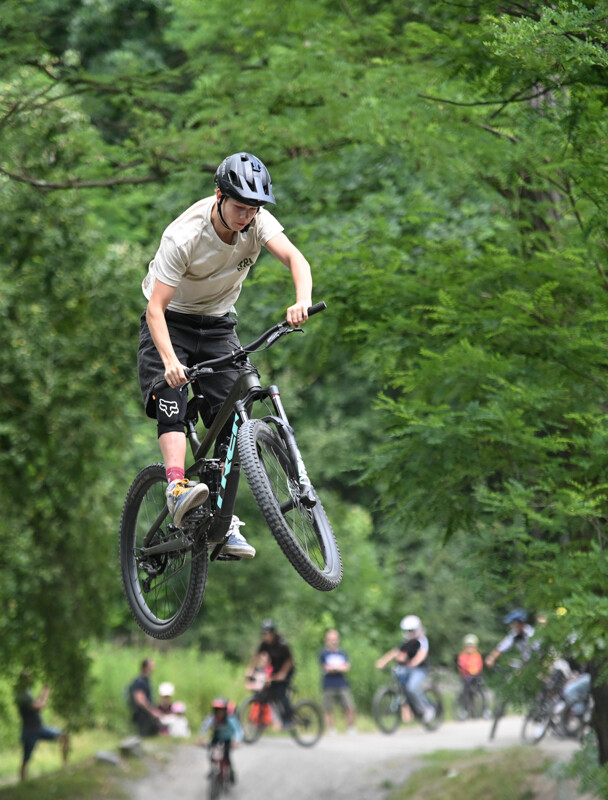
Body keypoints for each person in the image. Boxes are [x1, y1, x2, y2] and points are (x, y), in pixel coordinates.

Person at [137, 152, 316, 560]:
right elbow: (155, 309)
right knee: (173, 401)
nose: (246, 217)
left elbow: (295, 258)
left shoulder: (257, 222)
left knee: (235, 421)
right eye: (239, 207)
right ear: (219, 195)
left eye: (253, 209)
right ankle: (176, 486)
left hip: (218, 326)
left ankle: (223, 520)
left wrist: (301, 300)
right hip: (171, 323)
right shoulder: (184, 236)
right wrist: (169, 361)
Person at [374, 615, 436, 724]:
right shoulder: (405, 643)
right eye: (408, 631)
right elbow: (394, 653)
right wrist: (382, 662)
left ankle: (427, 709)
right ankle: (406, 705)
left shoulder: (422, 641)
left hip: (419, 670)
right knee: (400, 679)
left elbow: (422, 654)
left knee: (412, 688)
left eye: (411, 630)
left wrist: (414, 662)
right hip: (407, 669)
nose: (409, 633)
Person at [15, 670, 68, 781]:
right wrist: (45, 693)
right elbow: (39, 706)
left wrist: (43, 694)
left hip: (39, 729)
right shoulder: (22, 695)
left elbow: (36, 704)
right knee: (26, 759)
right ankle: (22, 782)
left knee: (63, 736)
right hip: (30, 732)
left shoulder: (26, 692)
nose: (30, 679)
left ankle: (65, 765)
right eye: (28, 677)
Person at [248, 619, 295, 727]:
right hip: (274, 670)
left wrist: (282, 674)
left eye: (268, 633)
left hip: (287, 669)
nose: (266, 636)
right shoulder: (264, 644)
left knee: (280, 692)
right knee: (267, 690)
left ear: (273, 633)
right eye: (264, 633)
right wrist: (251, 669)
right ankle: (263, 720)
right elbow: (256, 656)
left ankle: (289, 718)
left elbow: (289, 661)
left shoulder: (281, 643)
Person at [197, 697, 244, 785]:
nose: (219, 712)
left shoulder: (231, 719)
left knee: (227, 757)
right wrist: (201, 738)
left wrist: (237, 741)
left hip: (227, 740)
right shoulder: (212, 718)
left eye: (221, 710)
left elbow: (238, 731)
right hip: (216, 738)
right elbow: (204, 728)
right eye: (217, 710)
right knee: (211, 755)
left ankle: (231, 772)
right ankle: (212, 770)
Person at [319, 628, 356, 733]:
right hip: (328, 684)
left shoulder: (343, 653)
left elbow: (346, 667)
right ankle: (331, 729)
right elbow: (326, 668)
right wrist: (338, 668)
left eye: (335, 639)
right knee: (328, 708)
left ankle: (351, 728)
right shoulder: (323, 654)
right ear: (327, 640)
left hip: (342, 684)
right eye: (331, 639)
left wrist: (334, 668)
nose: (333, 642)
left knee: (349, 706)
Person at [127, 658, 163, 737]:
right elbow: (140, 700)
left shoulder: (146, 680)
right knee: (145, 737)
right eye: (152, 666)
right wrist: (152, 711)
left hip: (148, 714)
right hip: (143, 715)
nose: (154, 668)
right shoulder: (140, 681)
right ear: (146, 667)